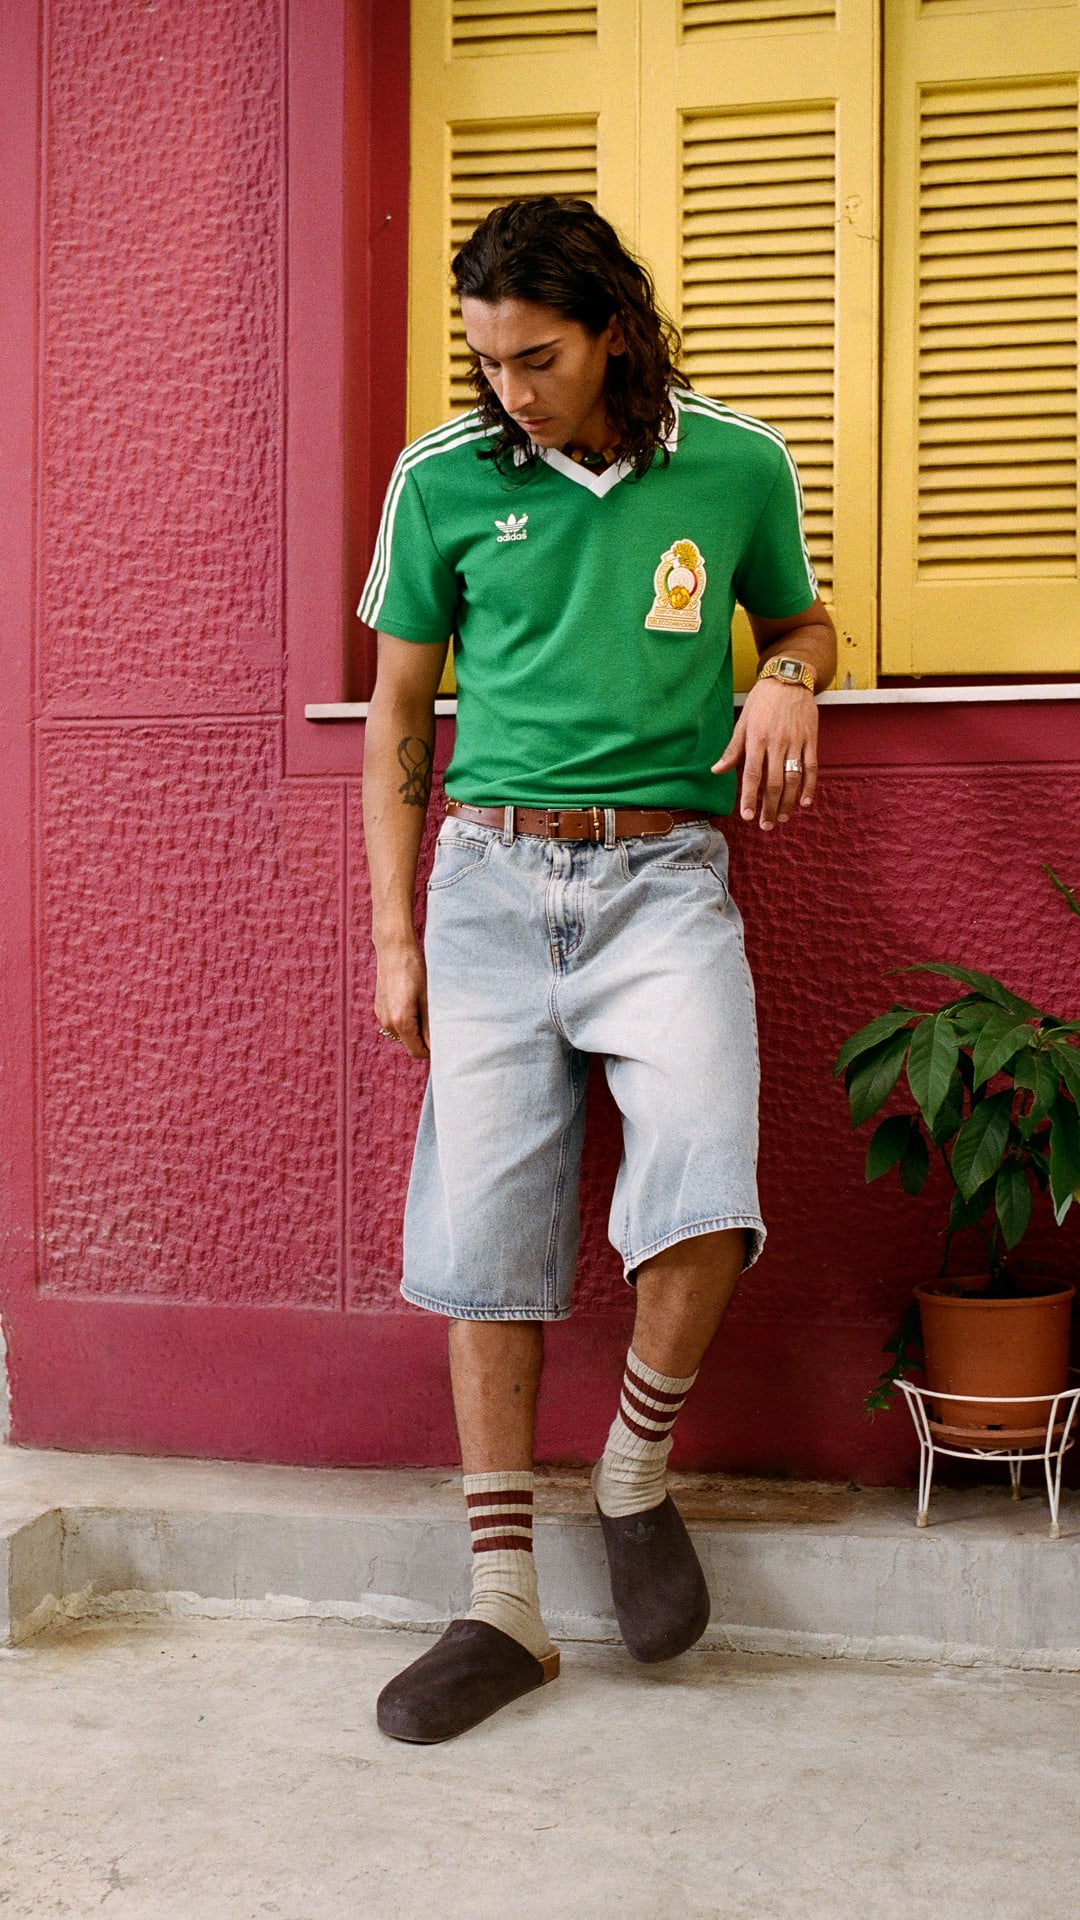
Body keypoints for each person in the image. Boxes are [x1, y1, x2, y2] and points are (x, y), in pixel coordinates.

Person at [359, 197, 836, 1743]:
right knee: (484, 1227)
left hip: (665, 876)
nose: (513, 387)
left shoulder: (739, 462)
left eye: (540, 356)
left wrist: (783, 677)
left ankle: (635, 1466)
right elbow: (394, 724)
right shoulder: (437, 483)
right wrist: (393, 935)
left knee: (707, 1175)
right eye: (490, 358)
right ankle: (503, 1608)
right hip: (489, 884)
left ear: (614, 327)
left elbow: (809, 623)